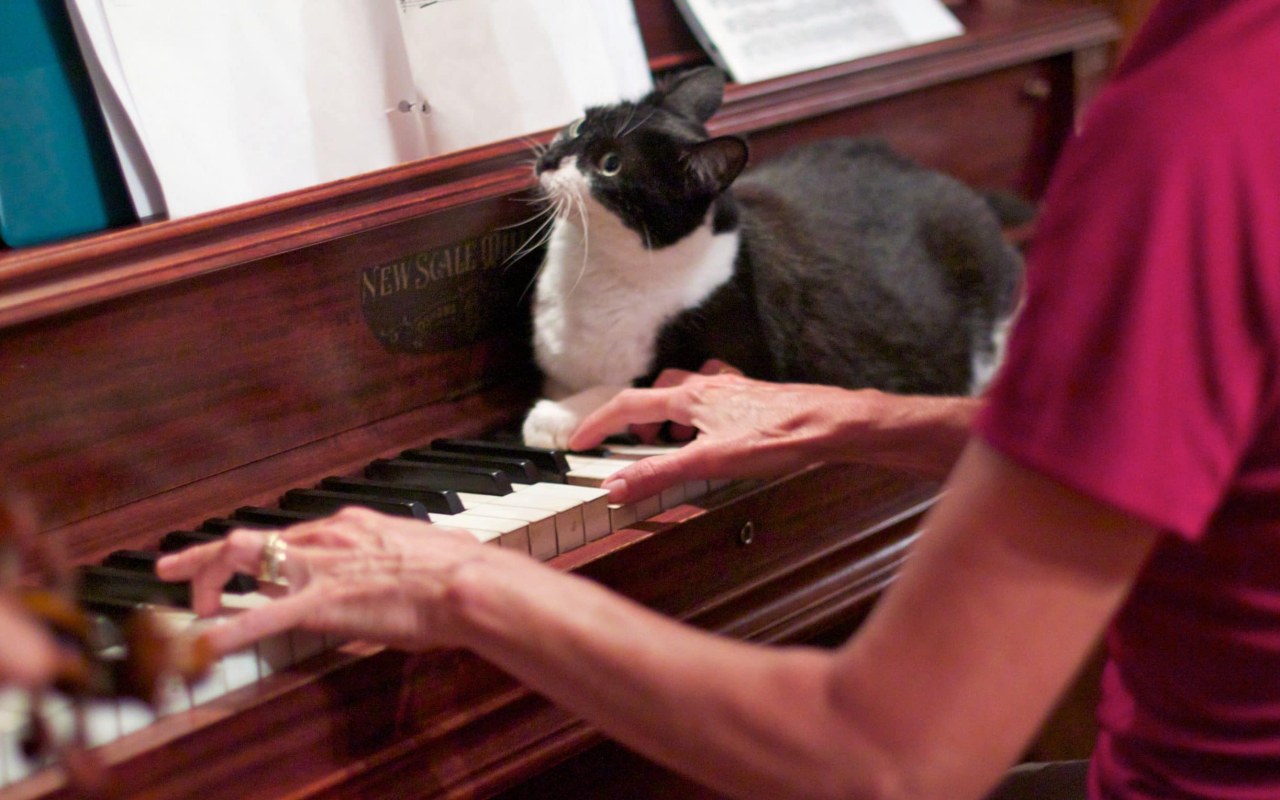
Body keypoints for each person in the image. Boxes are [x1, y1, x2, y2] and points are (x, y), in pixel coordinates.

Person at [157, 1, 1280, 797]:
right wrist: (846, 413)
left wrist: (456, 578)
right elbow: (1198, 439)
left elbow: (886, 757)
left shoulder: (1194, 130)